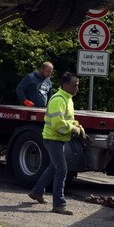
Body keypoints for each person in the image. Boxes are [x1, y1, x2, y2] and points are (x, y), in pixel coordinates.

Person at [27, 71, 87, 215]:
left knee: (54, 167)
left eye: (77, 85)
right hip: (53, 139)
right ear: (65, 85)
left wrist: (77, 125)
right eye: (74, 86)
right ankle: (59, 205)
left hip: (57, 139)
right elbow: (58, 125)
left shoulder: (67, 98)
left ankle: (36, 192)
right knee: (62, 169)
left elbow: (67, 119)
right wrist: (75, 130)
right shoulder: (59, 99)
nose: (76, 88)